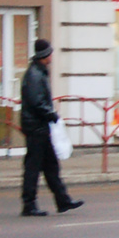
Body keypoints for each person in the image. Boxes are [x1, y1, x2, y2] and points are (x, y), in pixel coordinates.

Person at [19, 38, 83, 217]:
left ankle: (63, 201)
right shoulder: (34, 75)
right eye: (50, 53)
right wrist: (51, 114)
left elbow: (37, 100)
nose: (52, 55)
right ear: (44, 55)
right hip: (36, 128)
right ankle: (29, 204)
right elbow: (36, 102)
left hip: (40, 127)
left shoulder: (39, 72)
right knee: (33, 167)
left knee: (51, 166)